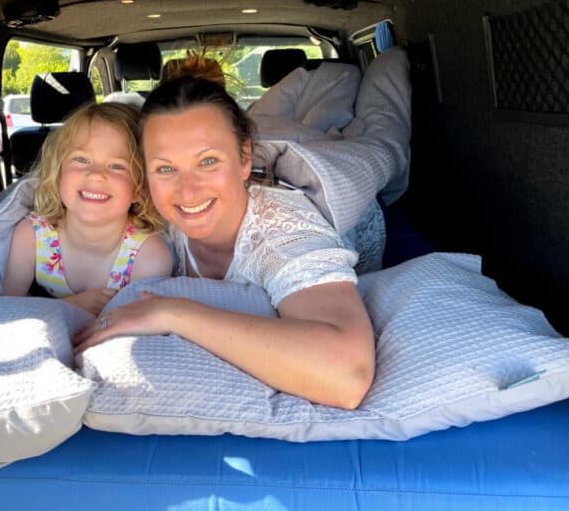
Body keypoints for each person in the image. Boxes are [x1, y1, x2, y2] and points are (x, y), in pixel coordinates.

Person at [72, 77, 376, 409]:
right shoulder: (152, 213)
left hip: (344, 195)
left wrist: (171, 312)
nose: (188, 192)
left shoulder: (282, 237)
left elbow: (348, 376)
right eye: (165, 168)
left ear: (245, 157)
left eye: (207, 162)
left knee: (377, 130)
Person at [2, 102, 174, 316]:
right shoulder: (31, 236)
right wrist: (72, 306)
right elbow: (5, 311)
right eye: (81, 160)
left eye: (117, 165)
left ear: (140, 188)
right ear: (58, 173)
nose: (95, 174)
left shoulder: (148, 256)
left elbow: (132, 329)